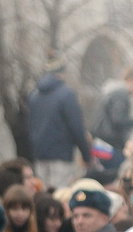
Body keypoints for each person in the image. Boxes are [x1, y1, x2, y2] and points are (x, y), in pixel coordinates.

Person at [27, 58, 94, 190]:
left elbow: (30, 126)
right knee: (60, 194)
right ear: (61, 73)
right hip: (61, 154)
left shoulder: (34, 95)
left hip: (40, 154)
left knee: (43, 195)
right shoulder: (67, 94)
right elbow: (76, 127)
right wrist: (86, 155)